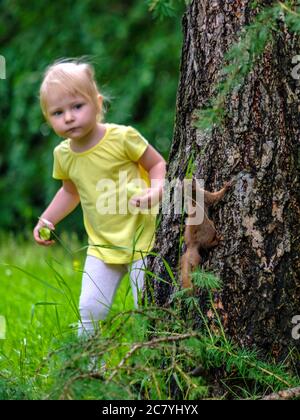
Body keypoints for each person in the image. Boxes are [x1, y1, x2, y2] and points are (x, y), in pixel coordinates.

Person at [33, 59, 166, 337]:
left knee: (149, 305)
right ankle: (89, 368)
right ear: (48, 118)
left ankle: (154, 357)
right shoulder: (64, 155)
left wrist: (156, 190)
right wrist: (48, 218)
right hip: (102, 245)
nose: (68, 117)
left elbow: (156, 164)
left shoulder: (122, 138)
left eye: (77, 107)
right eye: (58, 113)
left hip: (143, 238)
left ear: (97, 103)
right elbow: (70, 192)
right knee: (91, 308)